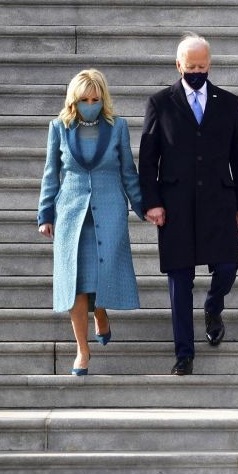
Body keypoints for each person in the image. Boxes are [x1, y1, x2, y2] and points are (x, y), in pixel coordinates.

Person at [138, 33, 238, 376]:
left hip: (220, 201)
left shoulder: (228, 102)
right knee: (178, 281)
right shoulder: (160, 102)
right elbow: (148, 160)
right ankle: (184, 354)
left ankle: (213, 305)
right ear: (178, 65)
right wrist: (152, 202)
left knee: (228, 267)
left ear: (210, 65)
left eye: (202, 66)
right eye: (191, 66)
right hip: (174, 205)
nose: (197, 72)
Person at [37, 69, 143, 375]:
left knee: (103, 271)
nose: (90, 103)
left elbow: (128, 172)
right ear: (74, 99)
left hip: (109, 212)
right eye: (85, 99)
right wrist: (45, 214)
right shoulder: (58, 128)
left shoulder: (118, 127)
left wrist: (144, 207)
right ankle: (82, 351)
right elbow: (50, 173)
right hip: (71, 215)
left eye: (96, 99)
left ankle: (101, 313)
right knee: (76, 284)